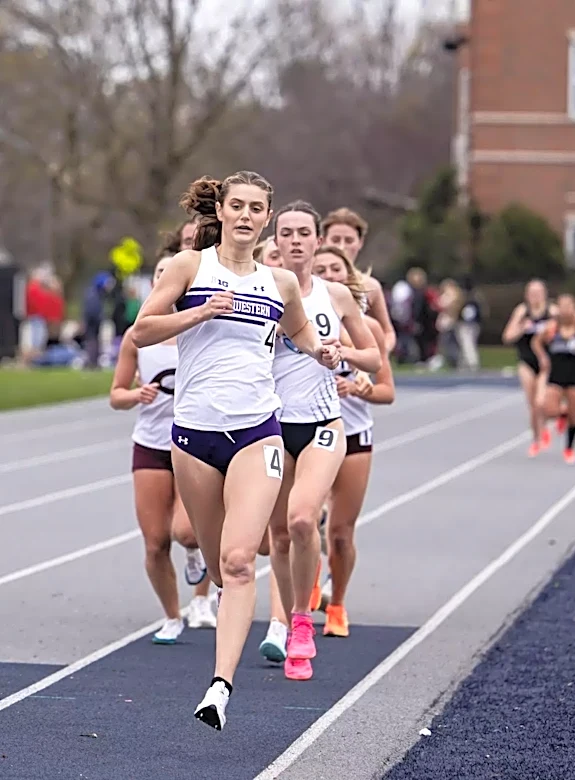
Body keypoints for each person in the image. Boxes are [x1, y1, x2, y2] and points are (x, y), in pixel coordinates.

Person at [132, 171, 340, 730]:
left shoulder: (281, 283)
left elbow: (302, 336)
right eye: (238, 206)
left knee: (240, 560)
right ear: (220, 211)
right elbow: (142, 330)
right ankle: (219, 589)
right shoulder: (189, 268)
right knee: (215, 557)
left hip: (257, 432)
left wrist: (323, 354)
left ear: (265, 218)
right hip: (194, 436)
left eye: (256, 208)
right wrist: (200, 311)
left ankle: (220, 686)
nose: (246, 216)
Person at [268, 201, 381, 682]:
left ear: (318, 242)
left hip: (322, 425)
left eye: (303, 233)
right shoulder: (259, 291)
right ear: (276, 242)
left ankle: (300, 622)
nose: (295, 241)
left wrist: (344, 353)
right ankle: (290, 616)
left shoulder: (335, 295)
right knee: (276, 535)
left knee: (301, 519)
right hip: (270, 426)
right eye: (286, 233)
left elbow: (374, 357)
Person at [109, 254, 216, 643]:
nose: (163, 280)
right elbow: (116, 395)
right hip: (151, 445)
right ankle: (172, 616)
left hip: (193, 442)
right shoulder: (137, 337)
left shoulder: (203, 328)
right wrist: (137, 394)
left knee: (187, 532)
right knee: (155, 541)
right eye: (157, 275)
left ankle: (198, 555)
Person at [312, 245, 395, 636]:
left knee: (341, 532)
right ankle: (304, 592)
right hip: (309, 429)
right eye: (320, 269)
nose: (328, 274)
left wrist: (360, 388)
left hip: (354, 433)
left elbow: (386, 391)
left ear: (349, 279)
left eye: (335, 269)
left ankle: (338, 605)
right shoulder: (297, 318)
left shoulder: (369, 328)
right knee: (302, 521)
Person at [532, 293, 575, 464]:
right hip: (556, 374)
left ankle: (569, 449)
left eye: (568, 306)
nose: (565, 310)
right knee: (547, 409)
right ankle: (560, 416)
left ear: (574, 309)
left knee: (574, 416)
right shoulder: (551, 328)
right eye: (562, 306)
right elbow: (535, 342)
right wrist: (542, 357)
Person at [321, 207, 396, 352]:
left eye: (349, 240)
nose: (342, 246)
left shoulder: (370, 286)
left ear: (360, 243)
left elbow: (388, 332)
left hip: (356, 368)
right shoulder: (311, 281)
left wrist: (377, 353)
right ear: (323, 240)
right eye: (335, 240)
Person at [502, 280, 558, 457]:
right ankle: (537, 438)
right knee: (532, 405)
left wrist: (551, 334)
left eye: (538, 293)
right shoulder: (522, 311)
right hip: (526, 361)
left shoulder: (552, 312)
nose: (535, 296)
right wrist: (521, 328)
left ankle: (547, 424)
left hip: (546, 363)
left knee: (541, 403)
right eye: (532, 293)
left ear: (545, 294)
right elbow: (507, 336)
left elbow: (566, 333)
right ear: (527, 295)